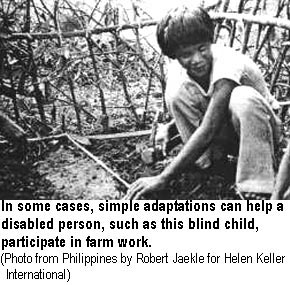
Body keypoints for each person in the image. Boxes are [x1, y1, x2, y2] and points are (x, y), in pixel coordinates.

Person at [126, 5, 281, 199]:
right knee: (176, 95)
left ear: (210, 41)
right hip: (228, 134)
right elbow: (210, 107)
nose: (197, 59)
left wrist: (163, 178)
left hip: (262, 134)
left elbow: (210, 125)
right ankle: (207, 164)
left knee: (243, 98)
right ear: (174, 56)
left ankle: (256, 183)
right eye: (186, 55)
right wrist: (170, 128)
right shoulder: (178, 71)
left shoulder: (227, 64)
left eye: (202, 49)